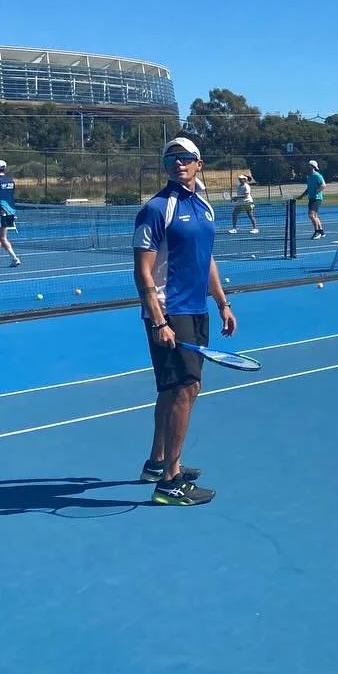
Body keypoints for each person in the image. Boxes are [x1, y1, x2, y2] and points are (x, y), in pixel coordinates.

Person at [133, 136, 236, 505]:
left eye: (185, 158)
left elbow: (206, 258)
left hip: (196, 308)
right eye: (171, 159)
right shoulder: (157, 208)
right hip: (169, 309)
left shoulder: (205, 207)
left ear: (199, 163)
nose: (179, 163)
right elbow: (142, 271)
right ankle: (170, 482)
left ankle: (157, 463)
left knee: (175, 389)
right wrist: (159, 320)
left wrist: (222, 302)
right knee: (185, 388)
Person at [0, 159, 21, 268]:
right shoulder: (11, 180)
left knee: (2, 237)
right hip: (10, 211)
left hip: (0, 211)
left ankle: (15, 258)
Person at [296, 159, 326, 239]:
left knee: (311, 215)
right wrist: (302, 196)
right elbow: (308, 189)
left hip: (317, 199)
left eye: (309, 165)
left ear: (312, 167)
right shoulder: (309, 177)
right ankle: (321, 231)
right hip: (311, 198)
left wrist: (317, 191)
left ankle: (317, 232)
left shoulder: (317, 176)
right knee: (315, 216)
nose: (307, 167)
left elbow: (323, 185)